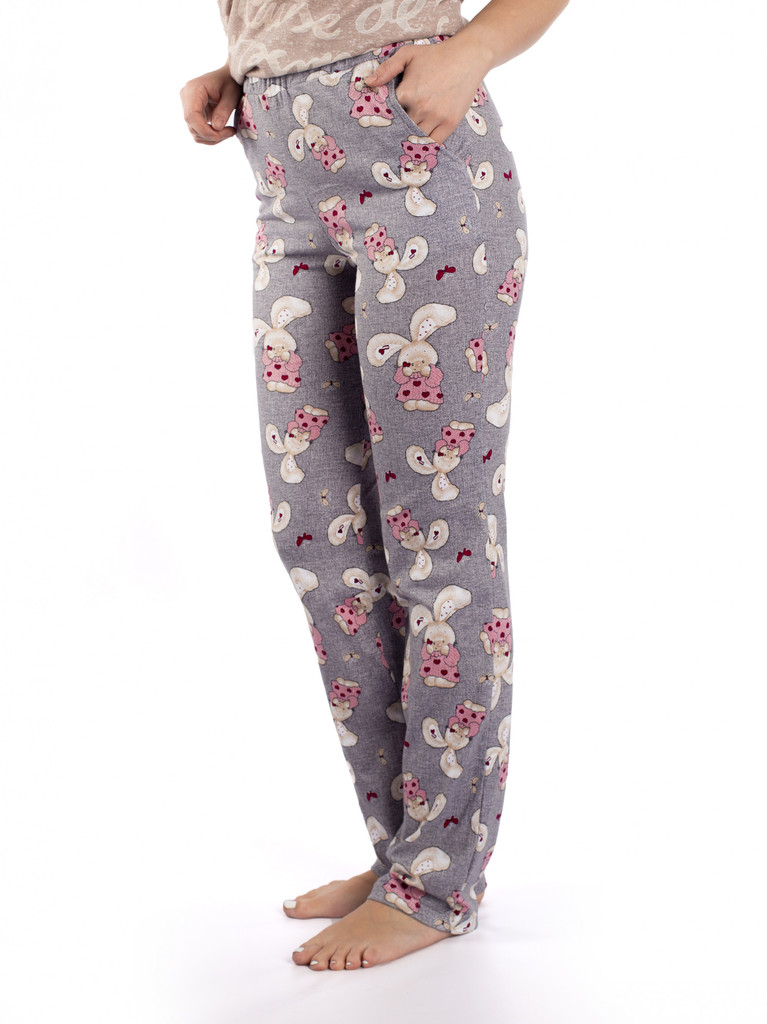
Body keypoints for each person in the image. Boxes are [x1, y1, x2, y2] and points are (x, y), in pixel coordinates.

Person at [179, 0, 569, 972]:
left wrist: (473, 50)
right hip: (284, 192)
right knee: (318, 537)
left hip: (420, 173)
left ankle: (438, 880)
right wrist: (240, 63)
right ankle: (402, 851)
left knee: (437, 545)